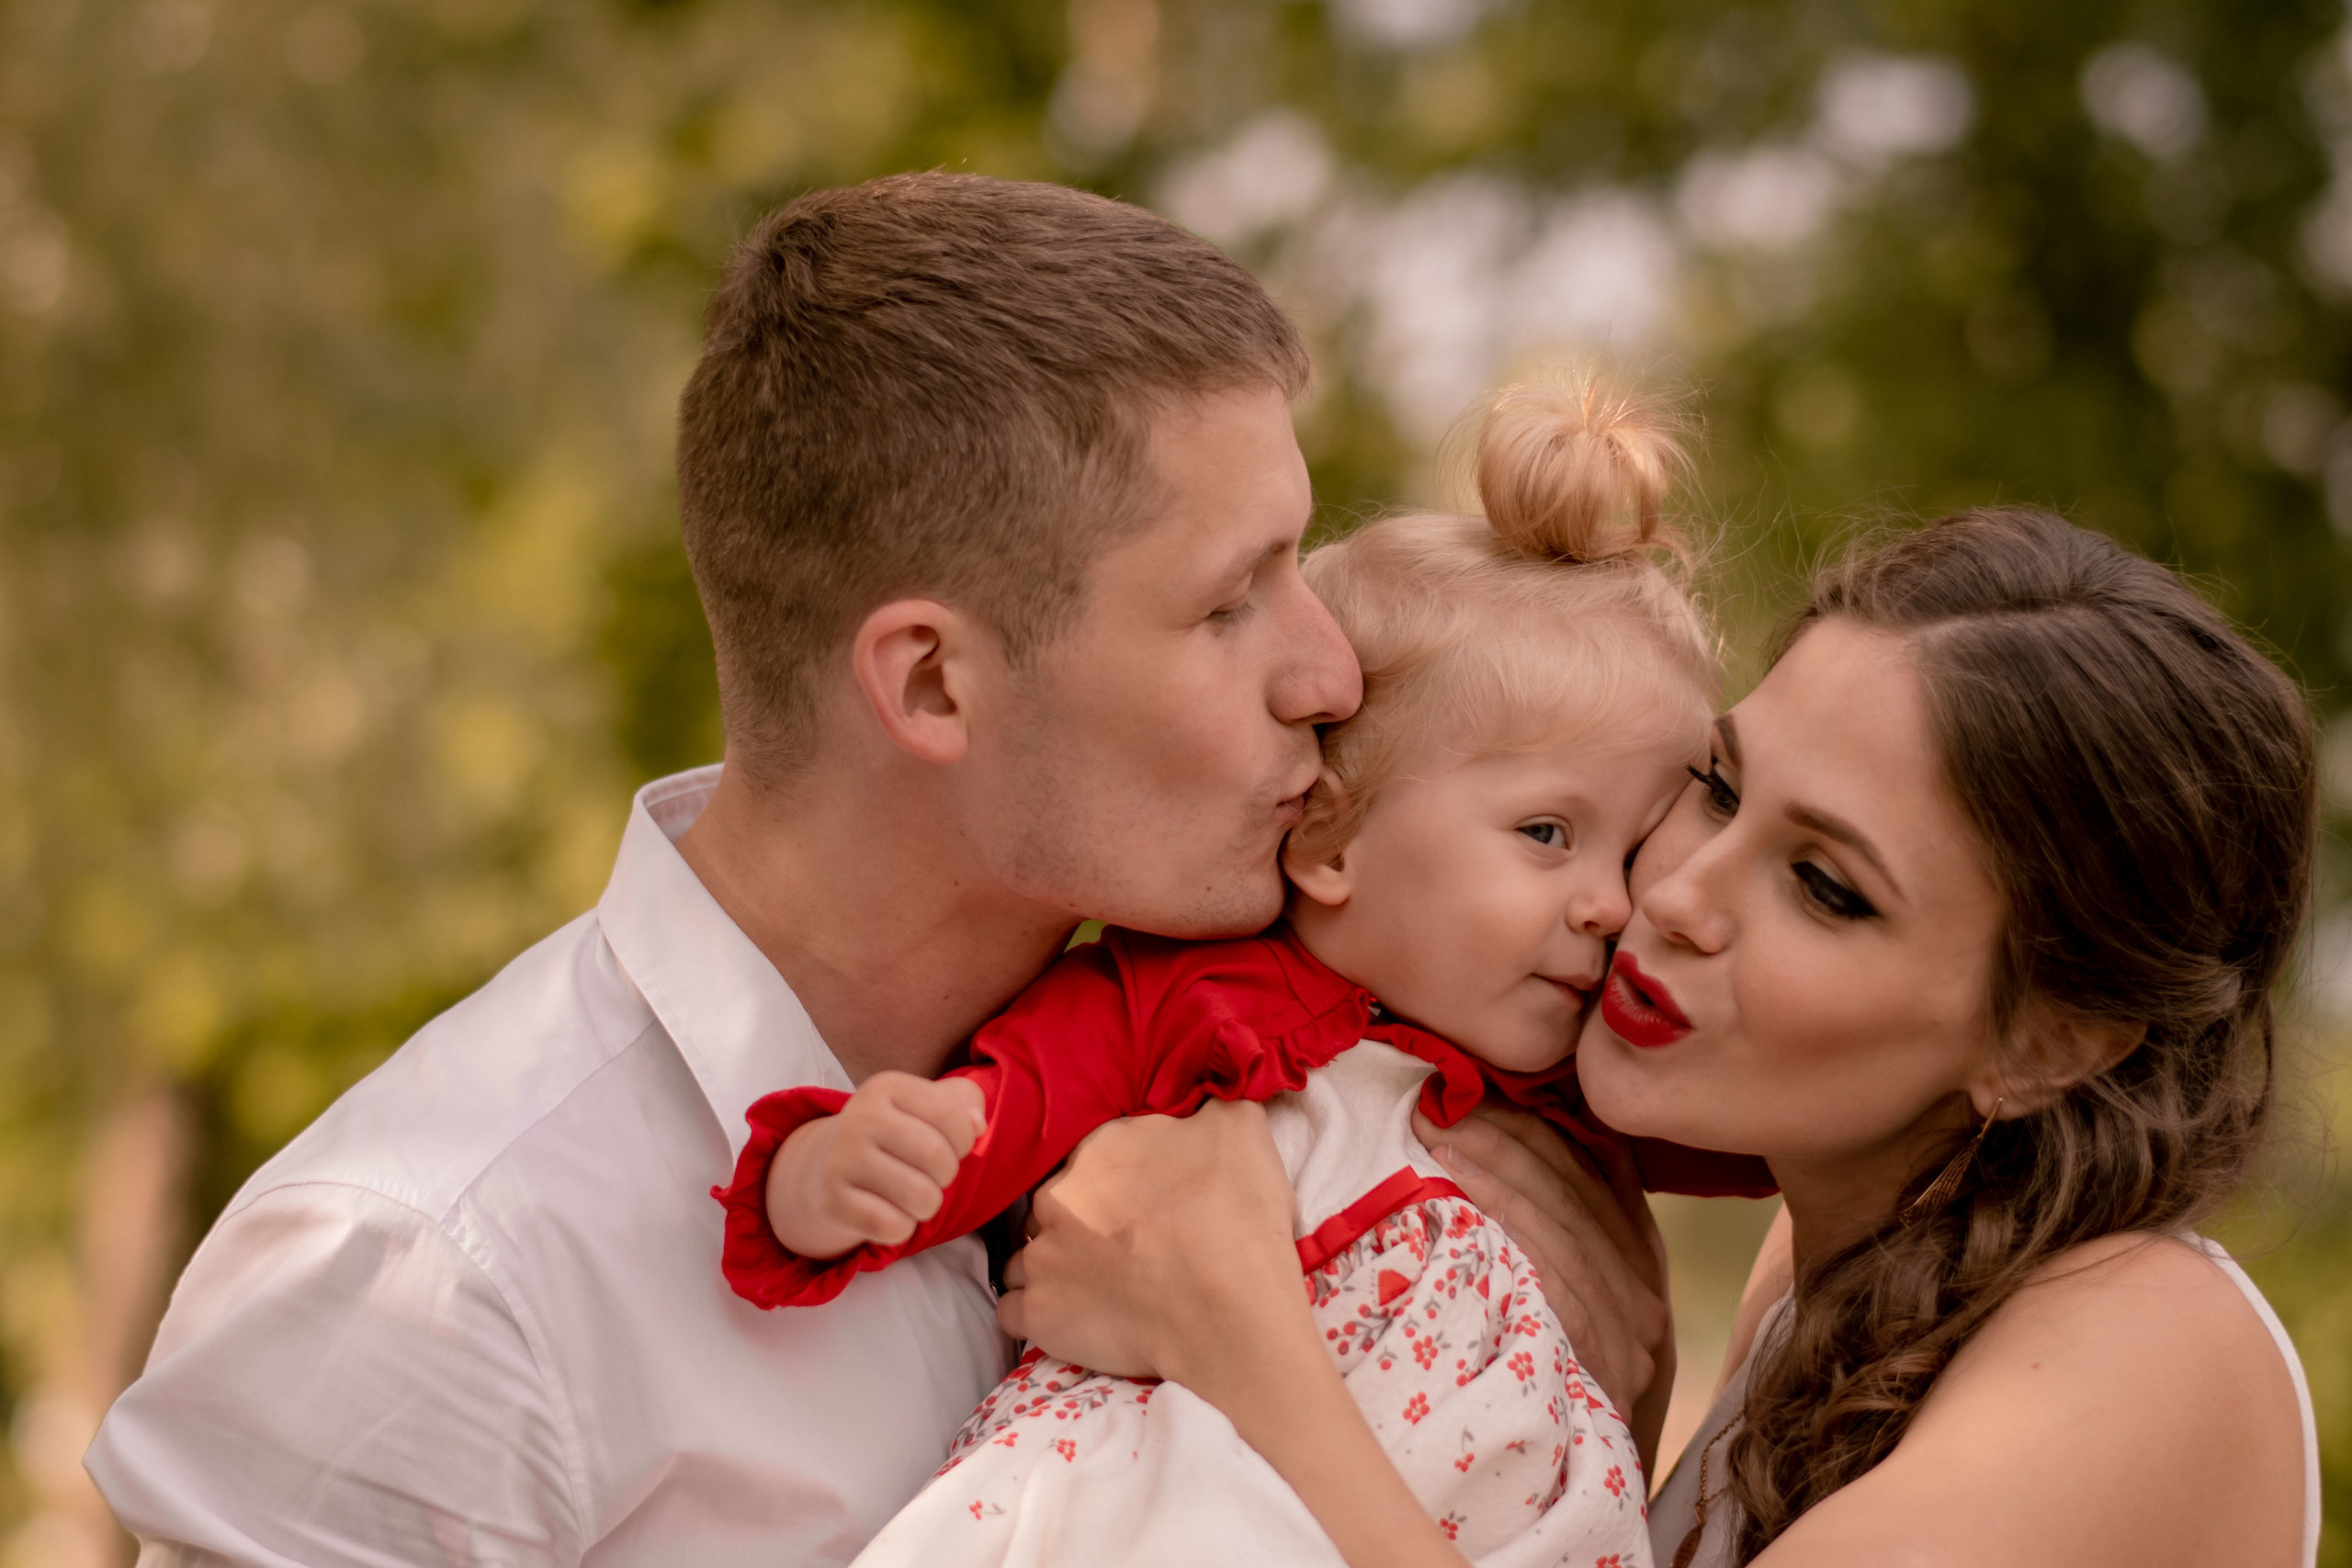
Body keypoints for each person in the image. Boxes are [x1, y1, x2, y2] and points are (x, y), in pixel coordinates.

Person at [84, 172, 1453, 1566]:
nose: (1330, 673)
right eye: (1229, 604)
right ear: (930, 685)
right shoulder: (435, 1279)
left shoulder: (1304, 1106)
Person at [997, 508, 2321, 1568]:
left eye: (1825, 886)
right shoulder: (1823, 1277)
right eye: (1720, 787)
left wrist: (1239, 1338)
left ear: (2048, 1043)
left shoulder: (2147, 1336)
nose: (1674, 895)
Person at [719, 377, 1773, 1568]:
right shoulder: (1195, 995)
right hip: (1184, 1513)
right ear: (1330, 837)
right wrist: (829, 1176)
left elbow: (1801, 1128)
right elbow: (992, 1114)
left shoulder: (1584, 1067)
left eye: (1637, 849)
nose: (1609, 901)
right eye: (1545, 833)